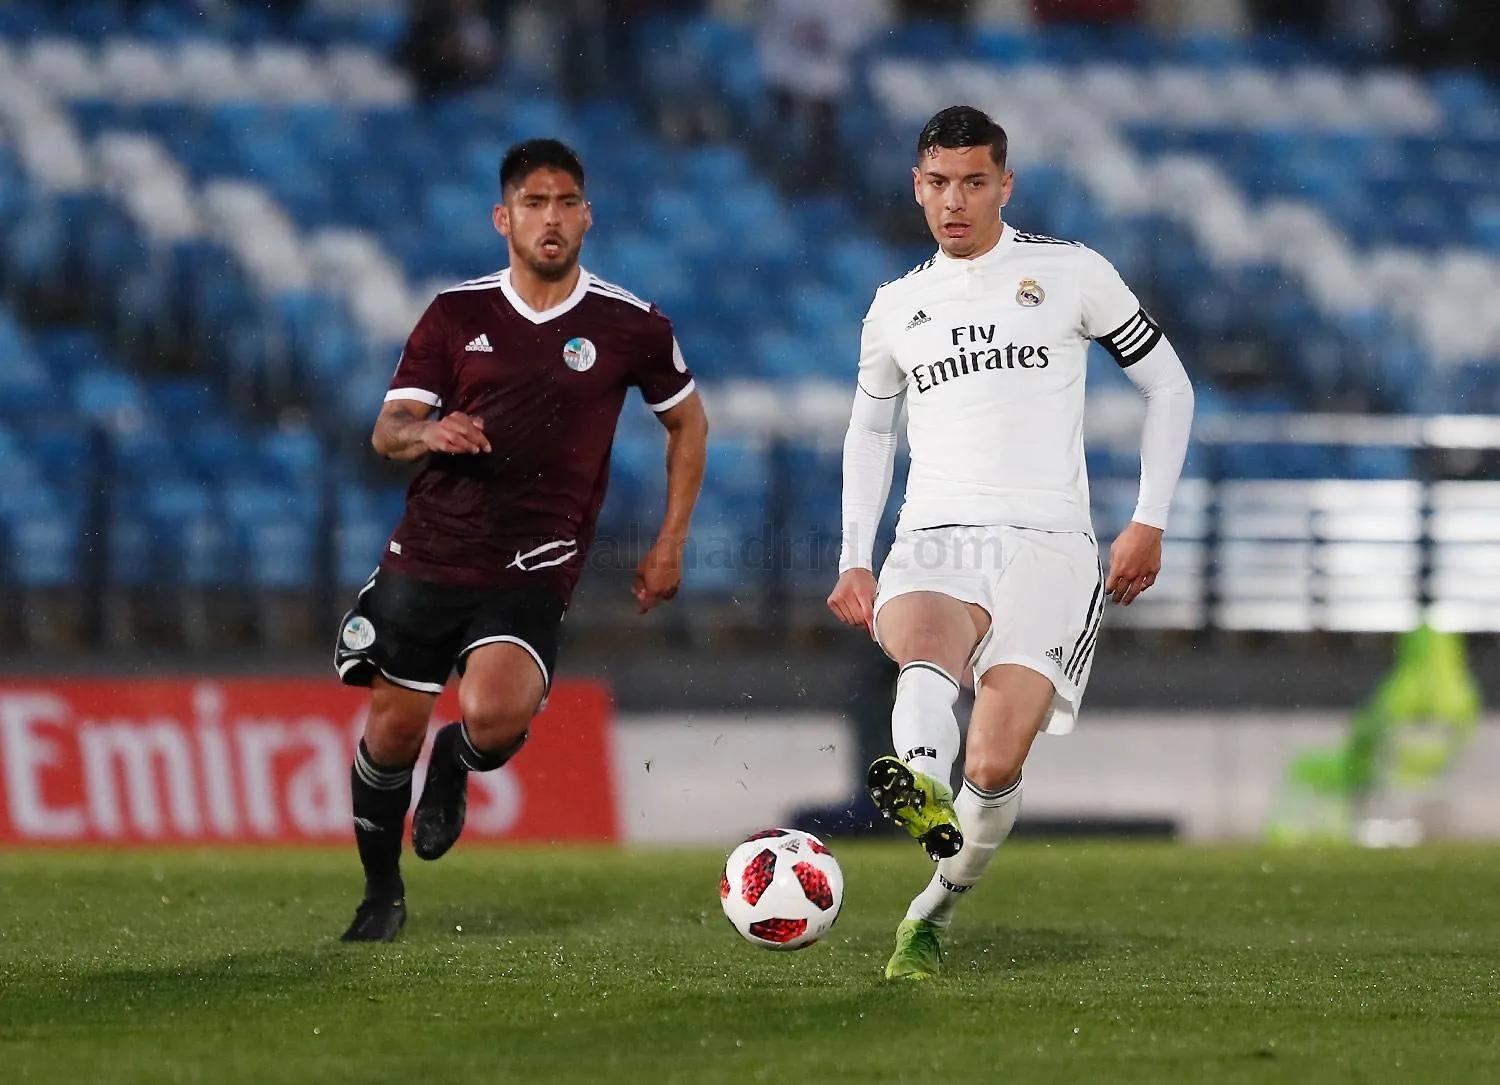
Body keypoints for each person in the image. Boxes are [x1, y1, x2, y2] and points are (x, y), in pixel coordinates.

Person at [826, 106, 1194, 979]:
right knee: (921, 648)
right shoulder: (895, 307)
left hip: (1051, 545)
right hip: (935, 533)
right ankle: (918, 779)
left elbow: (1169, 388)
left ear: (1005, 185)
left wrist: (1150, 518)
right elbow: (870, 434)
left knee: (993, 761)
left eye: (974, 182)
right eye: (939, 183)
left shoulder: (1070, 274)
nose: (955, 201)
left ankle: (933, 907)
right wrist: (853, 553)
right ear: (918, 186)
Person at [336, 138, 708, 942]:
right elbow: (387, 431)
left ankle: (457, 765)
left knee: (498, 714)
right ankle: (380, 891)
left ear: (586, 216)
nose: (551, 217)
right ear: (504, 218)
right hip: (430, 553)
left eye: (565, 202)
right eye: (534, 203)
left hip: (532, 561)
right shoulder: (455, 313)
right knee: (391, 731)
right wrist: (431, 430)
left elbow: (687, 421)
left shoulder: (631, 324)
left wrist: (671, 538)